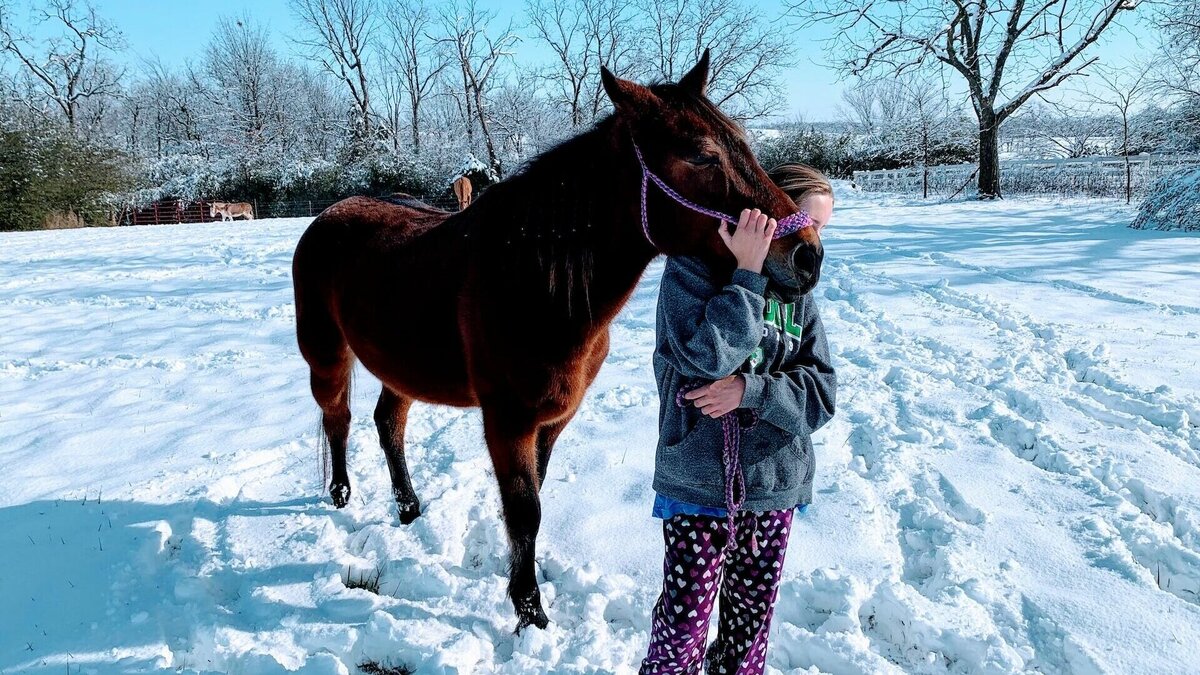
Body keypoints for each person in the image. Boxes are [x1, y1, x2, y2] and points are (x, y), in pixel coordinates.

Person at [640, 165, 837, 674]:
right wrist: (747, 279)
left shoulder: (800, 301)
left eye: (823, 230)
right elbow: (700, 358)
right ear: (763, 216)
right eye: (802, 226)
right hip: (699, 488)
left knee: (749, 630)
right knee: (682, 630)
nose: (813, 247)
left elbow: (821, 396)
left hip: (773, 486)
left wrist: (752, 391)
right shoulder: (690, 274)